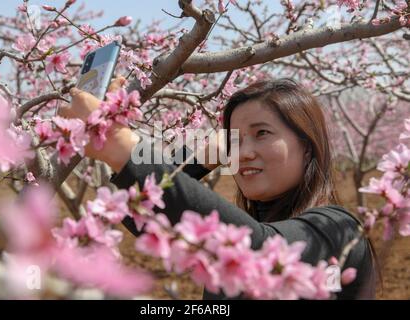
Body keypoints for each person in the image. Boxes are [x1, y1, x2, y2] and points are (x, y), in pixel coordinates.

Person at [59, 78, 376, 299]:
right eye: (235, 140)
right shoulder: (239, 235)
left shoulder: (338, 230)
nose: (243, 151)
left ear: (308, 147)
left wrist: (118, 144)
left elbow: (262, 249)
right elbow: (140, 216)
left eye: (262, 133)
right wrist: (200, 156)